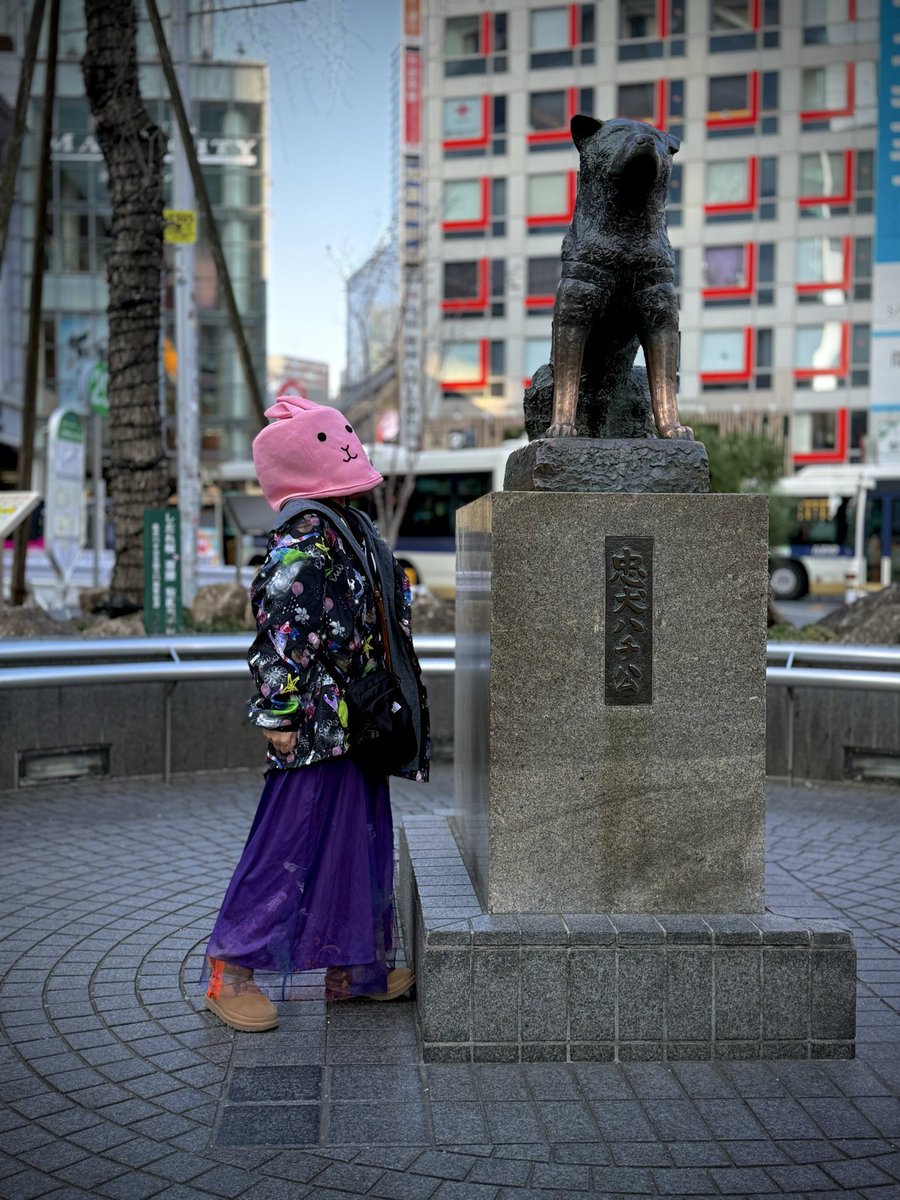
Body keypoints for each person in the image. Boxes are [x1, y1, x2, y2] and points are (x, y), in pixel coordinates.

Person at [203, 395, 429, 1032]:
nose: (349, 443)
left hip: (355, 720)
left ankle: (352, 968)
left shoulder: (343, 528)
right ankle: (231, 969)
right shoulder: (306, 540)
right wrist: (279, 712)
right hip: (315, 723)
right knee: (287, 842)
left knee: (356, 841)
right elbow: (280, 630)